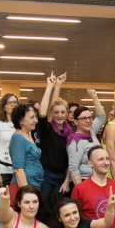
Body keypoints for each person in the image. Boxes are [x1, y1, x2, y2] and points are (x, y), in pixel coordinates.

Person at [36, 72, 74, 202]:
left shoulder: (71, 133)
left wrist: (67, 180)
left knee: (61, 208)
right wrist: (50, 86)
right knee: (44, 207)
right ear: (52, 113)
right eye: (56, 112)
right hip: (47, 176)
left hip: (64, 177)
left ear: (67, 113)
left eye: (63, 112)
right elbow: (42, 113)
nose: (59, 115)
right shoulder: (46, 128)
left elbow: (72, 159)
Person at [66, 90, 106, 186]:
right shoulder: (75, 142)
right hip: (84, 182)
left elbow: (101, 116)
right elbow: (74, 169)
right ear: (76, 122)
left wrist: (94, 97)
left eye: (90, 117)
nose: (88, 121)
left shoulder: (91, 131)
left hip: (98, 180)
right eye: (83, 118)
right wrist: (82, 191)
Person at [9, 103, 44, 192]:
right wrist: (26, 194)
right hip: (23, 188)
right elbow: (18, 170)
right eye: (32, 117)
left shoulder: (27, 135)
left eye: (36, 117)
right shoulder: (18, 138)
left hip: (33, 185)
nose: (36, 121)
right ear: (20, 120)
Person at [0, 93, 18, 187]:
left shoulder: (22, 124)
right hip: (3, 170)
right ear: (3, 106)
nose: (12, 105)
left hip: (19, 170)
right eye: (9, 102)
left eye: (15, 102)